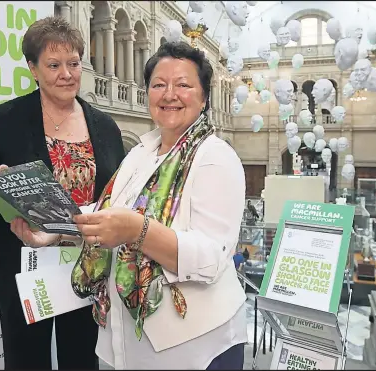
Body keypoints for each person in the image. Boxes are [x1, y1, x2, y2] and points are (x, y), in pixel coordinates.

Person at [13, 42, 248, 369]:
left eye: (183, 85)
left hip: (194, 348)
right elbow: (106, 212)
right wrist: (54, 231)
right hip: (129, 346)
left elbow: (210, 259)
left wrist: (138, 231)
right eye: (158, 84)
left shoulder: (215, 158)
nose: (169, 94)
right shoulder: (141, 153)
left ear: (204, 97)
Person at [0, 16, 125, 370]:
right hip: (25, 274)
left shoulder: (107, 127)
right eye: (53, 65)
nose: (66, 73)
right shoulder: (6, 119)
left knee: (82, 362)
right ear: (32, 68)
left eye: (74, 63)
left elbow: (118, 199)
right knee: (25, 363)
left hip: (86, 270)